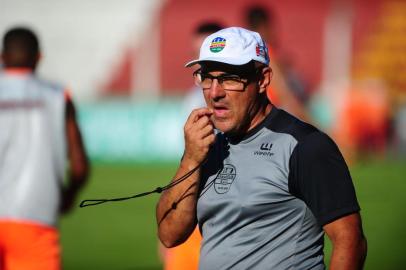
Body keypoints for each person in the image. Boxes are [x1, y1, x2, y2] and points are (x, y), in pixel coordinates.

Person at [156, 27, 367, 269]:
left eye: (229, 79)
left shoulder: (305, 145)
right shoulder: (207, 147)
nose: (215, 92)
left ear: (263, 79)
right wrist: (190, 160)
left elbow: (350, 242)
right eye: (207, 77)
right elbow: (169, 235)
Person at [0, 27, 89, 270]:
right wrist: (69, 194)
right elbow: (79, 163)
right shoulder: (58, 96)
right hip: (35, 215)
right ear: (39, 57)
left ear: (2, 56)